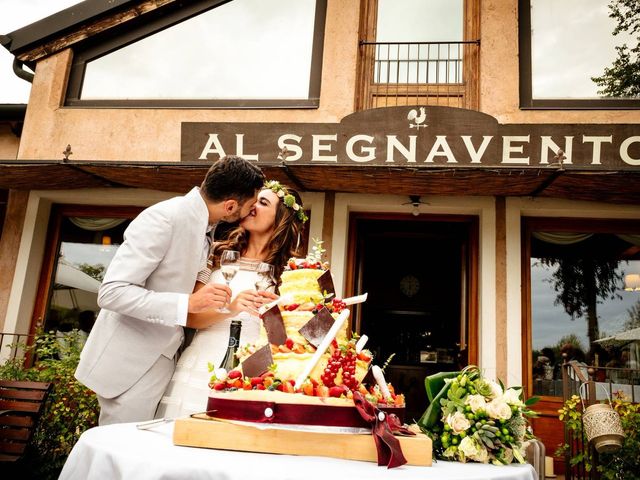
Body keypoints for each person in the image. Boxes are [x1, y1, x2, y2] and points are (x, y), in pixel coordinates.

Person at [75, 155, 265, 425]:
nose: (250, 212)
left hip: (162, 361)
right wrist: (186, 304)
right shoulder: (165, 218)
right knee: (123, 454)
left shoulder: (206, 229)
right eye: (250, 205)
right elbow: (112, 292)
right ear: (230, 205)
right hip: (131, 365)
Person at [155, 181, 306, 419]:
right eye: (253, 200)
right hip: (202, 362)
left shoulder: (290, 272)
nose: (252, 205)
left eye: (262, 202)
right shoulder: (215, 255)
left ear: (280, 220)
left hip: (255, 369)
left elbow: (290, 340)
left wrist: (280, 312)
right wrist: (232, 309)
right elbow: (190, 317)